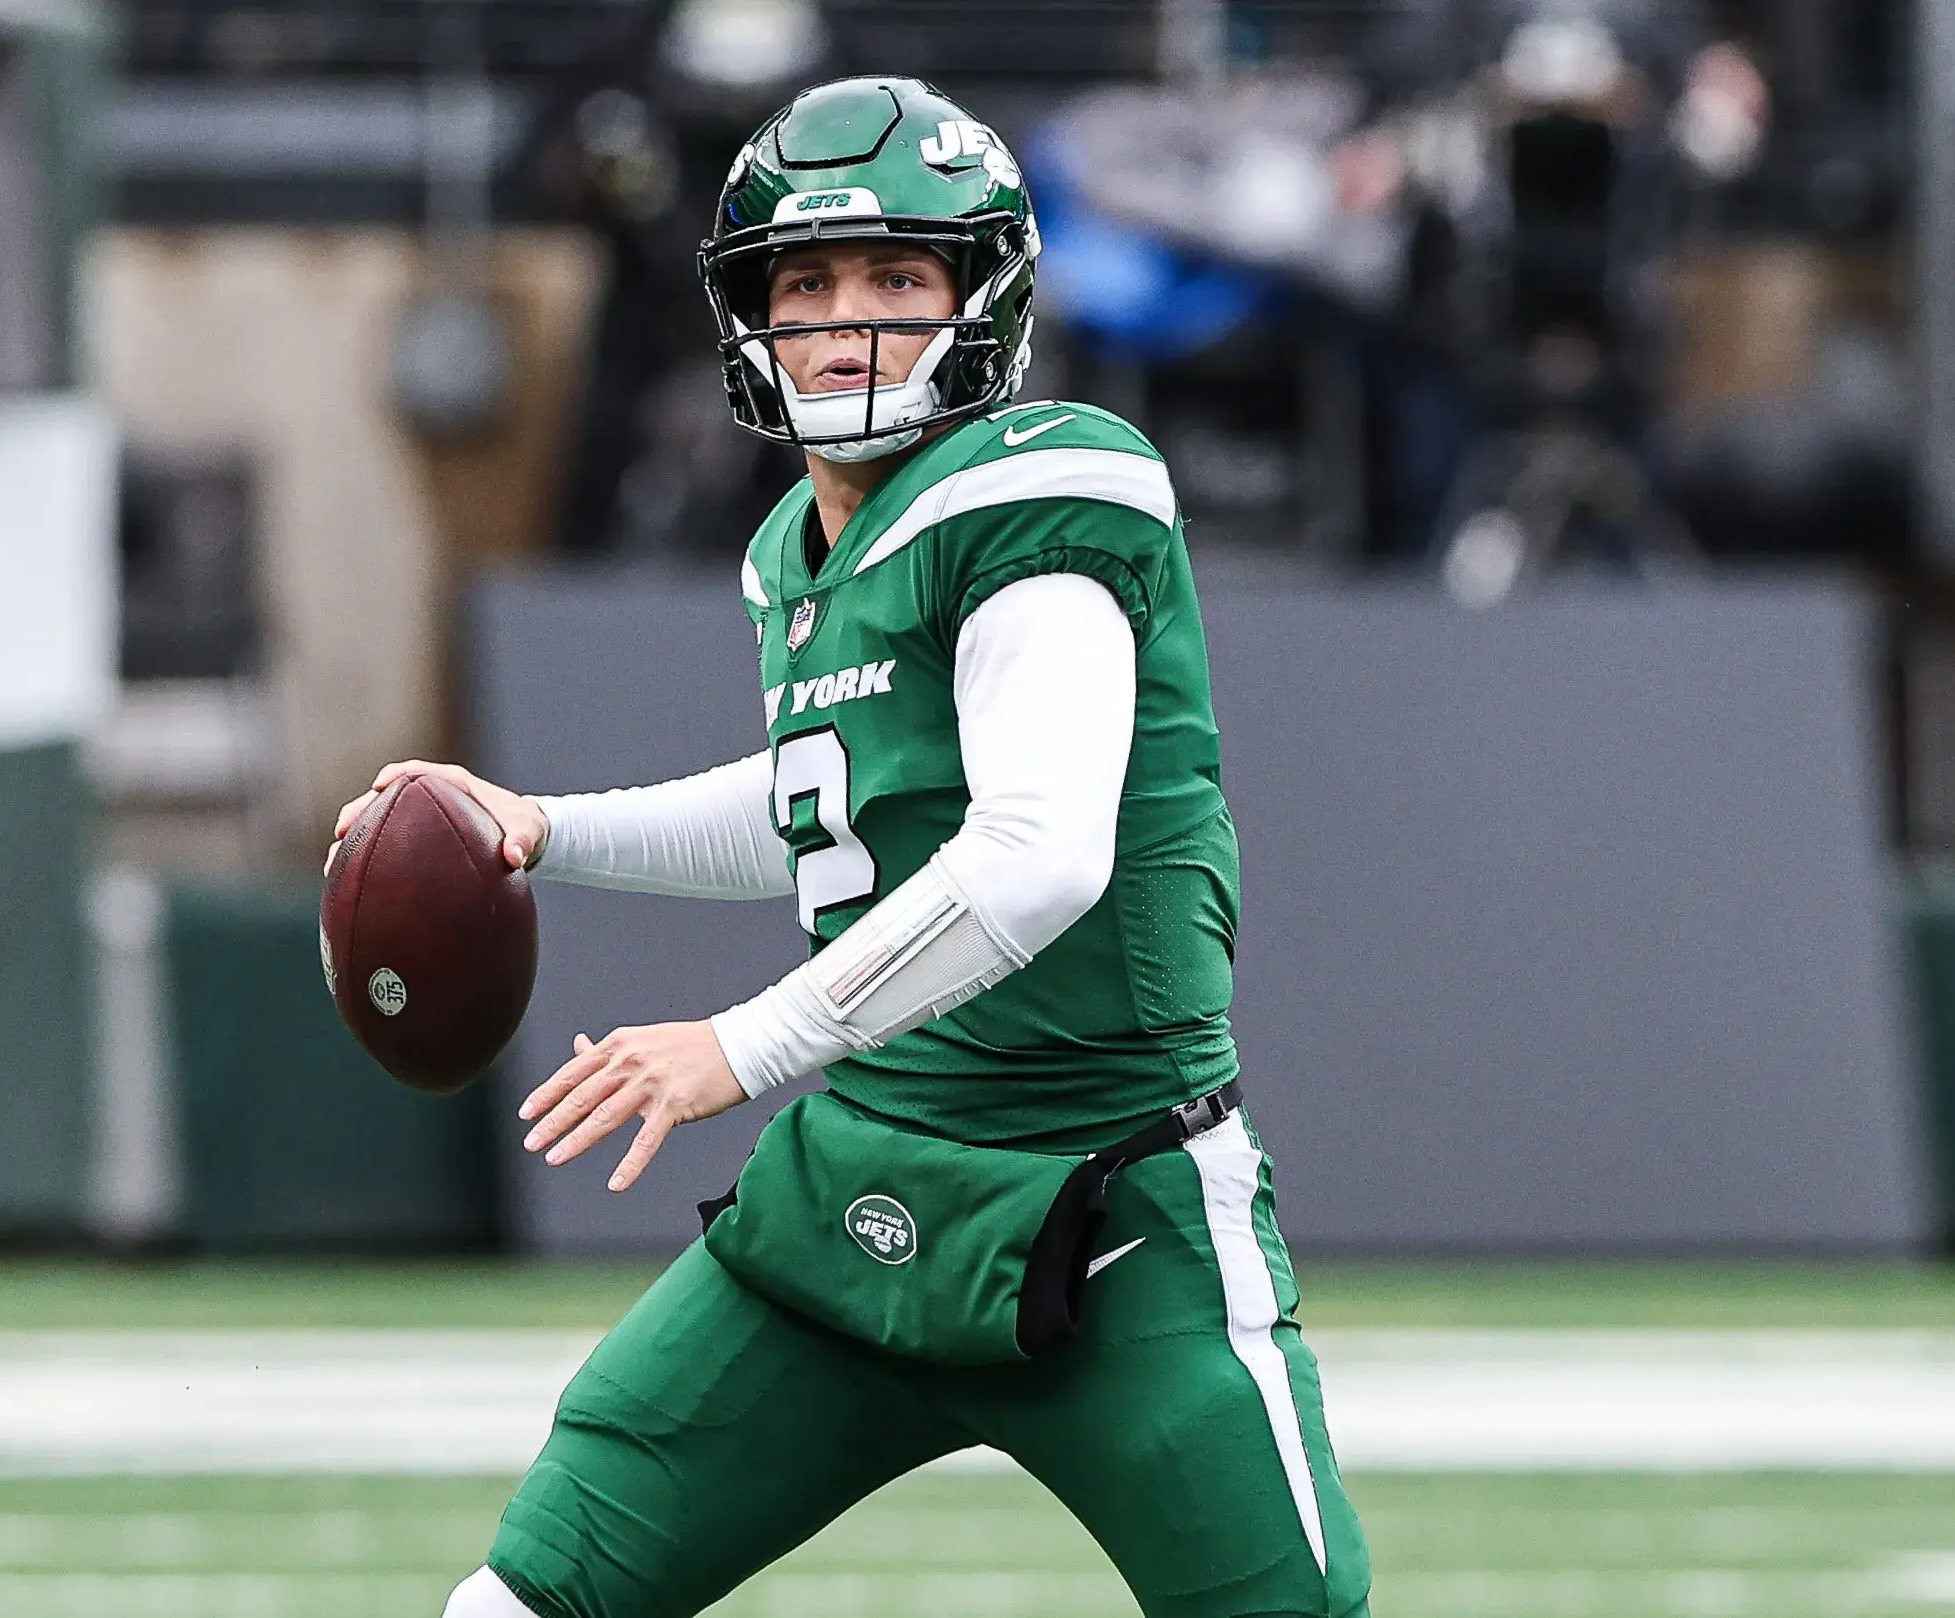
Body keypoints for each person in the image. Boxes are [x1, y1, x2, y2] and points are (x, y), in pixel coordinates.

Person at [336, 75, 1375, 1618]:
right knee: (529, 1597)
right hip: (852, 1201)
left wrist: (745, 1045)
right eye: (806, 283)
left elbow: (1038, 853)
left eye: (897, 277)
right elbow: (822, 812)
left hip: (1109, 1208)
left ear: (984, 297)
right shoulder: (794, 551)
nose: (847, 322)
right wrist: (540, 828)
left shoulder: (1046, 486)